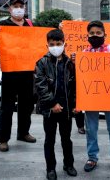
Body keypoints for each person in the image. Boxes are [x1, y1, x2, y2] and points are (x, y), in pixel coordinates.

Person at [78, 20, 110, 172]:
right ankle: (92, 157)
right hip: (91, 96)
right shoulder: (84, 53)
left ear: (104, 35)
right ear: (87, 35)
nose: (95, 36)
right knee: (91, 128)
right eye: (92, 33)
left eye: (98, 33)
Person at [0, 0, 37, 152]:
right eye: (15, 6)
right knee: (7, 106)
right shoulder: (2, 25)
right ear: (10, 9)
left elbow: (37, 44)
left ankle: (24, 132)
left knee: (27, 105)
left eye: (21, 6)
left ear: (24, 8)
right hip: (9, 72)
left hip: (27, 72)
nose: (19, 8)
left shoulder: (30, 25)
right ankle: (3, 139)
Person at [35, 29, 77, 180]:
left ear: (64, 44)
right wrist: (52, 103)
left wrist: (75, 104)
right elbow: (40, 86)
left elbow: (75, 86)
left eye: (58, 44)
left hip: (66, 109)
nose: (55, 47)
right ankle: (50, 168)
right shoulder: (42, 63)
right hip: (50, 110)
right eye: (52, 44)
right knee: (49, 140)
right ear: (47, 45)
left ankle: (69, 164)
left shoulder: (70, 63)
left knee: (67, 139)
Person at [58, 20, 85, 134]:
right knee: (71, 102)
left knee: (80, 103)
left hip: (82, 76)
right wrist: (60, 30)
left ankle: (82, 125)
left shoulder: (87, 48)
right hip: (69, 76)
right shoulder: (63, 54)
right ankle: (77, 125)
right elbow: (59, 46)